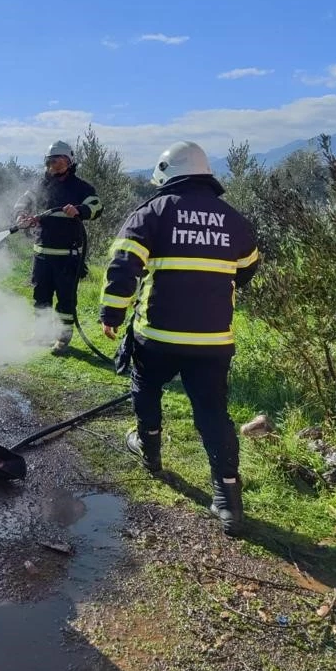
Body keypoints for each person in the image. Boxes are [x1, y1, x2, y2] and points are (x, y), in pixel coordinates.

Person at [99, 140, 259, 536]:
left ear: (167, 173)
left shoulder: (152, 212)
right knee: (211, 412)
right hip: (212, 341)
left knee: (145, 384)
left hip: (158, 335)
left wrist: (112, 314)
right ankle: (227, 498)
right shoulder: (231, 219)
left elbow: (123, 266)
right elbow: (247, 268)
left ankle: (149, 451)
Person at [14, 140, 103, 355]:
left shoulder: (81, 187)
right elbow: (22, 202)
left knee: (66, 300)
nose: (54, 165)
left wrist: (80, 210)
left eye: (58, 161)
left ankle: (62, 339)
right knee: (40, 297)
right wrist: (21, 215)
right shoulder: (41, 185)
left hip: (68, 256)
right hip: (42, 253)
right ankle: (41, 334)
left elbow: (97, 207)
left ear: (70, 161)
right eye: (50, 161)